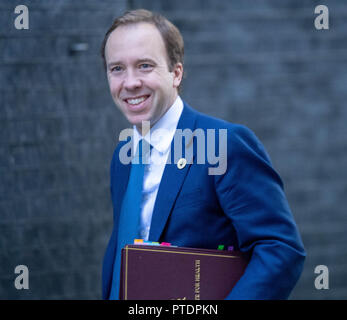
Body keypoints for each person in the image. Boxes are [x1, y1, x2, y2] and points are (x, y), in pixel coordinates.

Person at [100, 9, 306, 300]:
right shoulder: (124, 155)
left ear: (176, 73)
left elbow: (281, 249)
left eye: (145, 65)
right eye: (117, 68)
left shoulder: (224, 144)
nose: (130, 82)